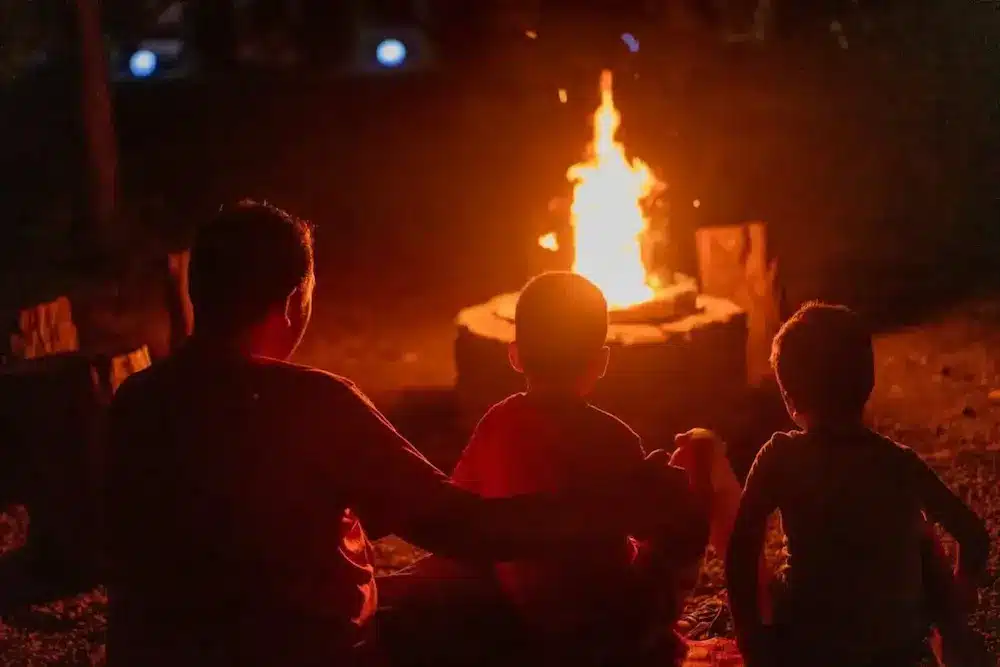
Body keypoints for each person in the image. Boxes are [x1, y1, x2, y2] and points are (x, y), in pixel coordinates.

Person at [102, 201, 705, 667]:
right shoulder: (315, 406)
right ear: (292, 303)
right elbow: (465, 528)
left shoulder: (133, 403)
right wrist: (616, 504)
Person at [450, 272, 713, 665]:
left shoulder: (495, 423)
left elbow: (463, 497)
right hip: (610, 620)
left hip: (525, 609)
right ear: (601, 361)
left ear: (515, 354)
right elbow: (649, 521)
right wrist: (672, 485)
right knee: (693, 485)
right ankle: (655, 638)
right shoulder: (613, 437)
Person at [726, 301, 991, 667]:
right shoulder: (899, 463)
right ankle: (952, 642)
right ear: (869, 385)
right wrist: (958, 594)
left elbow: (741, 549)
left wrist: (751, 636)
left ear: (789, 397)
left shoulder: (780, 456)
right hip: (894, 649)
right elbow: (975, 536)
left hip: (808, 647)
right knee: (921, 537)